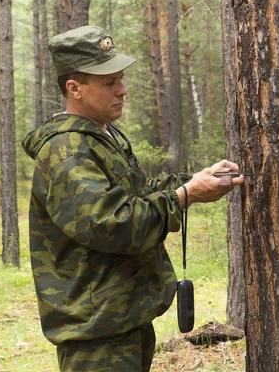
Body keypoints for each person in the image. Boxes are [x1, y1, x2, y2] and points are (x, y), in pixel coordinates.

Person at [21, 25, 243, 372]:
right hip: (96, 332)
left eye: (120, 79)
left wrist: (195, 182)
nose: (122, 90)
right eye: (109, 83)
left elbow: (137, 191)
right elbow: (112, 223)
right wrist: (184, 197)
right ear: (74, 88)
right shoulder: (66, 150)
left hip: (121, 318)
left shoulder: (98, 137)